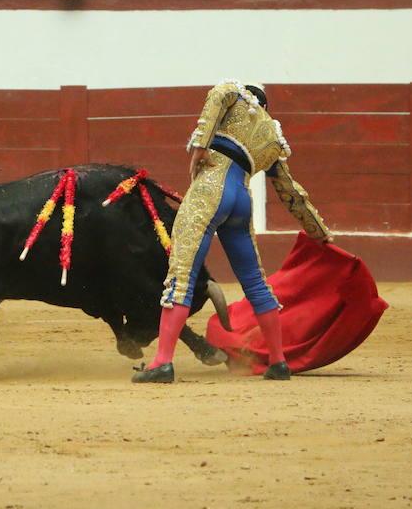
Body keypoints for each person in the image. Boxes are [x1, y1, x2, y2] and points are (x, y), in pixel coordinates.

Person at [131, 80, 331, 384]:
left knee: (181, 274)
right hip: (240, 200)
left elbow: (219, 93)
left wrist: (200, 146)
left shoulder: (236, 96)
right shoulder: (273, 138)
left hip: (211, 190)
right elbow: (291, 192)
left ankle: (162, 362)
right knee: (255, 280)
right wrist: (318, 231)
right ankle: (278, 362)